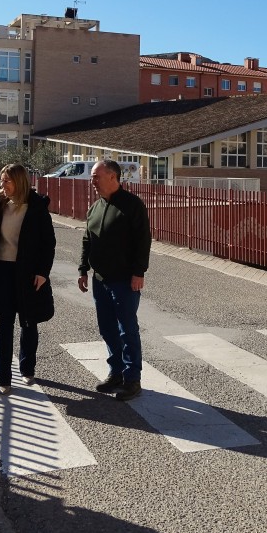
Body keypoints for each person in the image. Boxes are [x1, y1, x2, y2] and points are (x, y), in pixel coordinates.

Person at [0, 163, 56, 394]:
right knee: (4, 323)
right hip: (2, 272)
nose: (2, 185)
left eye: (6, 181)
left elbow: (48, 244)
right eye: (1, 180)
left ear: (18, 182)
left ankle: (27, 368)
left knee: (29, 322)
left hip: (28, 273)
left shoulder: (37, 207)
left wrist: (42, 273)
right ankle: (3, 377)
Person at [77, 159, 151, 401]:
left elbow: (143, 240)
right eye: (92, 176)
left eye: (96, 176)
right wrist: (82, 269)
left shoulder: (132, 205)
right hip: (101, 279)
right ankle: (116, 372)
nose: (92, 180)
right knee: (107, 328)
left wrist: (139, 272)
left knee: (127, 329)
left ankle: (132, 379)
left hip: (125, 280)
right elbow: (88, 240)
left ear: (112, 177)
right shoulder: (95, 208)